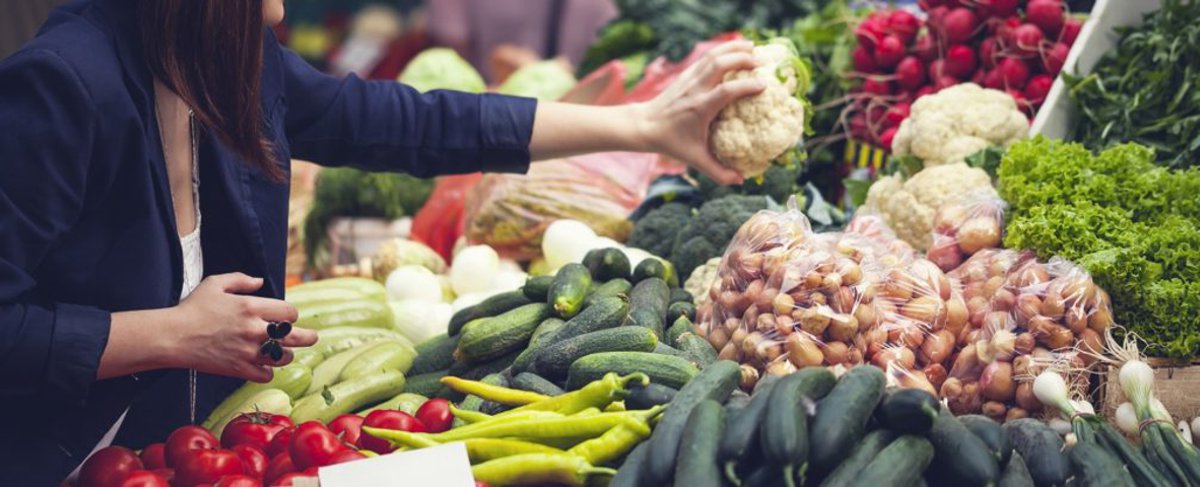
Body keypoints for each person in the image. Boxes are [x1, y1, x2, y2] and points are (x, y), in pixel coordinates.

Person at [0, 0, 761, 483]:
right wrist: (169, 335)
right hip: (65, 460)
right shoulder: (64, 86)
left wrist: (643, 125)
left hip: (186, 454)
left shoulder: (231, 62)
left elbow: (415, 124)